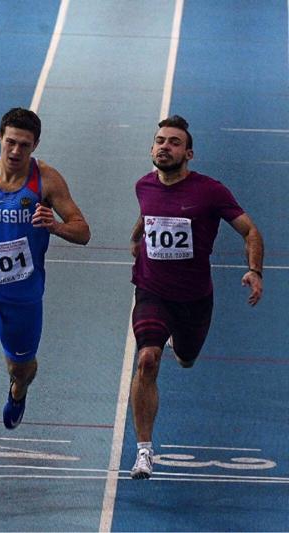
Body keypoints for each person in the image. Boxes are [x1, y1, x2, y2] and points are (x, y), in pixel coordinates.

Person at [0, 107, 91, 490]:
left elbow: (83, 231)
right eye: (10, 142)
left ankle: (18, 390)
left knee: (21, 368)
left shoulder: (47, 181)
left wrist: (54, 226)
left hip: (24, 298)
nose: (15, 151)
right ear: (0, 138)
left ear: (34, 145)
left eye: (24, 145)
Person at [128, 115, 264, 479]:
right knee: (147, 359)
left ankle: (180, 344)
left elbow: (250, 231)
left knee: (186, 359)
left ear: (189, 154)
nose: (165, 147)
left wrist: (255, 270)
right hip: (151, 290)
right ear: (152, 148)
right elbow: (147, 216)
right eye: (160, 141)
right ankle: (144, 451)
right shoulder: (144, 185)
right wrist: (136, 238)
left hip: (194, 299)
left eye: (174, 143)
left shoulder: (210, 191)